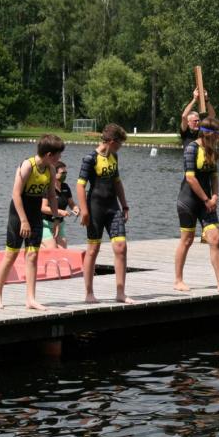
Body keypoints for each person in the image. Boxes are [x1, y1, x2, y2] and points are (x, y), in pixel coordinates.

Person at [0, 134, 64, 309]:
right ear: (48, 154)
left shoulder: (51, 169)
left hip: (35, 214)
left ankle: (30, 299)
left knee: (32, 255)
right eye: (58, 155)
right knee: (11, 255)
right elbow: (15, 194)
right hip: (18, 214)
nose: (60, 158)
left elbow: (52, 196)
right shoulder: (27, 166)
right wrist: (23, 221)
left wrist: (55, 218)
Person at [174, 117, 219, 294]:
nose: (218, 139)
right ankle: (178, 280)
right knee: (187, 240)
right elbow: (190, 178)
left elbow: (214, 177)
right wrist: (206, 199)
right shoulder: (191, 148)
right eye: (217, 135)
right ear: (208, 134)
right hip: (189, 200)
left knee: (215, 238)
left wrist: (214, 196)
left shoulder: (212, 150)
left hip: (207, 202)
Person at [77, 123, 135, 304]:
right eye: (119, 144)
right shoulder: (90, 158)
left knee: (121, 247)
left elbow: (117, 183)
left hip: (113, 207)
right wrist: (84, 211)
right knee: (93, 250)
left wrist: (125, 205)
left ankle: (120, 293)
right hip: (95, 208)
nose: (120, 148)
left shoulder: (114, 156)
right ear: (110, 141)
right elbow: (80, 185)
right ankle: (89, 293)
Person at [41, 161, 80, 249]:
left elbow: (71, 203)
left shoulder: (65, 187)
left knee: (62, 250)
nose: (65, 175)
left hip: (60, 224)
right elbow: (43, 208)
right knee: (52, 248)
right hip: (45, 224)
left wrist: (76, 208)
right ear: (54, 173)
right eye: (62, 173)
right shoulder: (47, 187)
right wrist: (59, 212)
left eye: (66, 173)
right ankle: (39, 246)